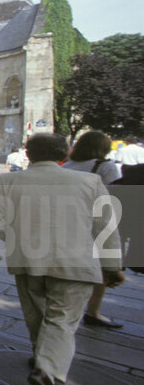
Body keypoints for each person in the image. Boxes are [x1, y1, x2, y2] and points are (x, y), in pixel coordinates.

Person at [0, 133, 124, 385]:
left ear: (28, 153)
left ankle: (43, 361)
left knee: (36, 313)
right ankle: (46, 369)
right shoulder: (90, 181)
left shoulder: (7, 181)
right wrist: (112, 266)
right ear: (64, 153)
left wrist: (20, 238)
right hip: (75, 261)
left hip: (27, 258)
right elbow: (106, 228)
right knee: (62, 319)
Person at [62, 130, 123, 328]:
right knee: (101, 267)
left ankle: (71, 307)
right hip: (94, 221)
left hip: (70, 220)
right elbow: (113, 198)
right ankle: (93, 311)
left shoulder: (69, 165)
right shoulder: (105, 166)